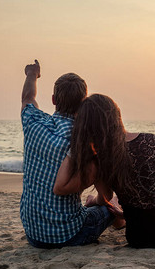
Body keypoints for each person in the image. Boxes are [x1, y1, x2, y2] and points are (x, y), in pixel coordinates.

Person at [53, 94, 155, 248]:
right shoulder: (152, 141)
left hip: (141, 237)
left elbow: (105, 198)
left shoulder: (102, 160)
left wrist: (92, 201)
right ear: (118, 114)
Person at [21, 60, 114, 249]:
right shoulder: (82, 140)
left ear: (54, 99)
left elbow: (27, 97)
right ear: (84, 102)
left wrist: (32, 74)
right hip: (67, 235)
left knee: (91, 205)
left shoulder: (33, 122)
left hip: (33, 233)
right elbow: (106, 194)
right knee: (109, 206)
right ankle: (119, 221)